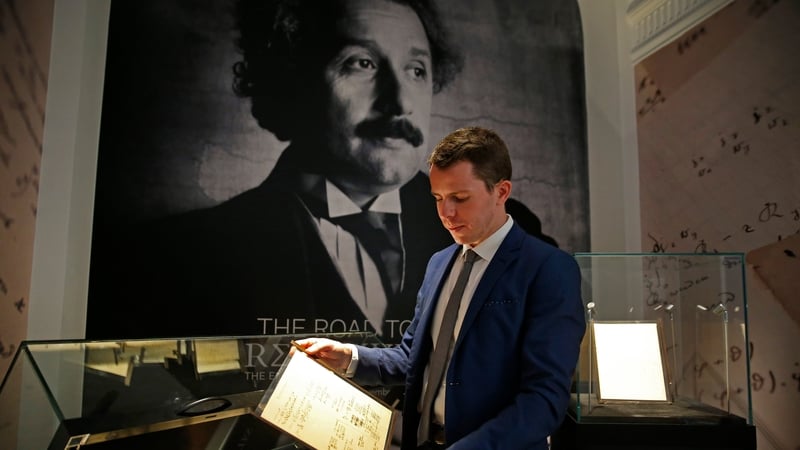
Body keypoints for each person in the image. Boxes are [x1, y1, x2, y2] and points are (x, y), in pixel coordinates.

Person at [86, 0, 555, 342]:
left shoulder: (511, 232)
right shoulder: (176, 260)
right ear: (291, 82)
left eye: (416, 70)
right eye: (362, 63)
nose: (400, 101)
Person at [295, 126, 585, 449]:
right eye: (438, 198)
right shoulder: (439, 262)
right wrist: (349, 357)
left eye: (460, 198)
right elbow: (413, 358)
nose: (446, 213)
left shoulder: (549, 269)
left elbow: (543, 400)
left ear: (501, 192)